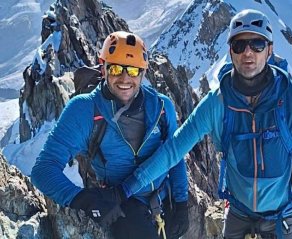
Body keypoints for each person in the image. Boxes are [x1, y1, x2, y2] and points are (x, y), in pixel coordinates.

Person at [109, 9, 292, 238]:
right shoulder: (217, 103)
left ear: (269, 50)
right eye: (240, 45)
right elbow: (173, 151)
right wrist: (124, 190)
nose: (248, 52)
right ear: (231, 51)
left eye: (257, 43)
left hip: (282, 217)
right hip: (238, 216)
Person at [31, 31, 189, 239]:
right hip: (121, 205)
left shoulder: (161, 106)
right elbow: (43, 170)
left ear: (143, 73)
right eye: (116, 68)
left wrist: (181, 203)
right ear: (103, 68)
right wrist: (87, 201)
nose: (124, 78)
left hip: (163, 200)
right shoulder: (85, 110)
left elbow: (175, 156)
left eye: (133, 71)